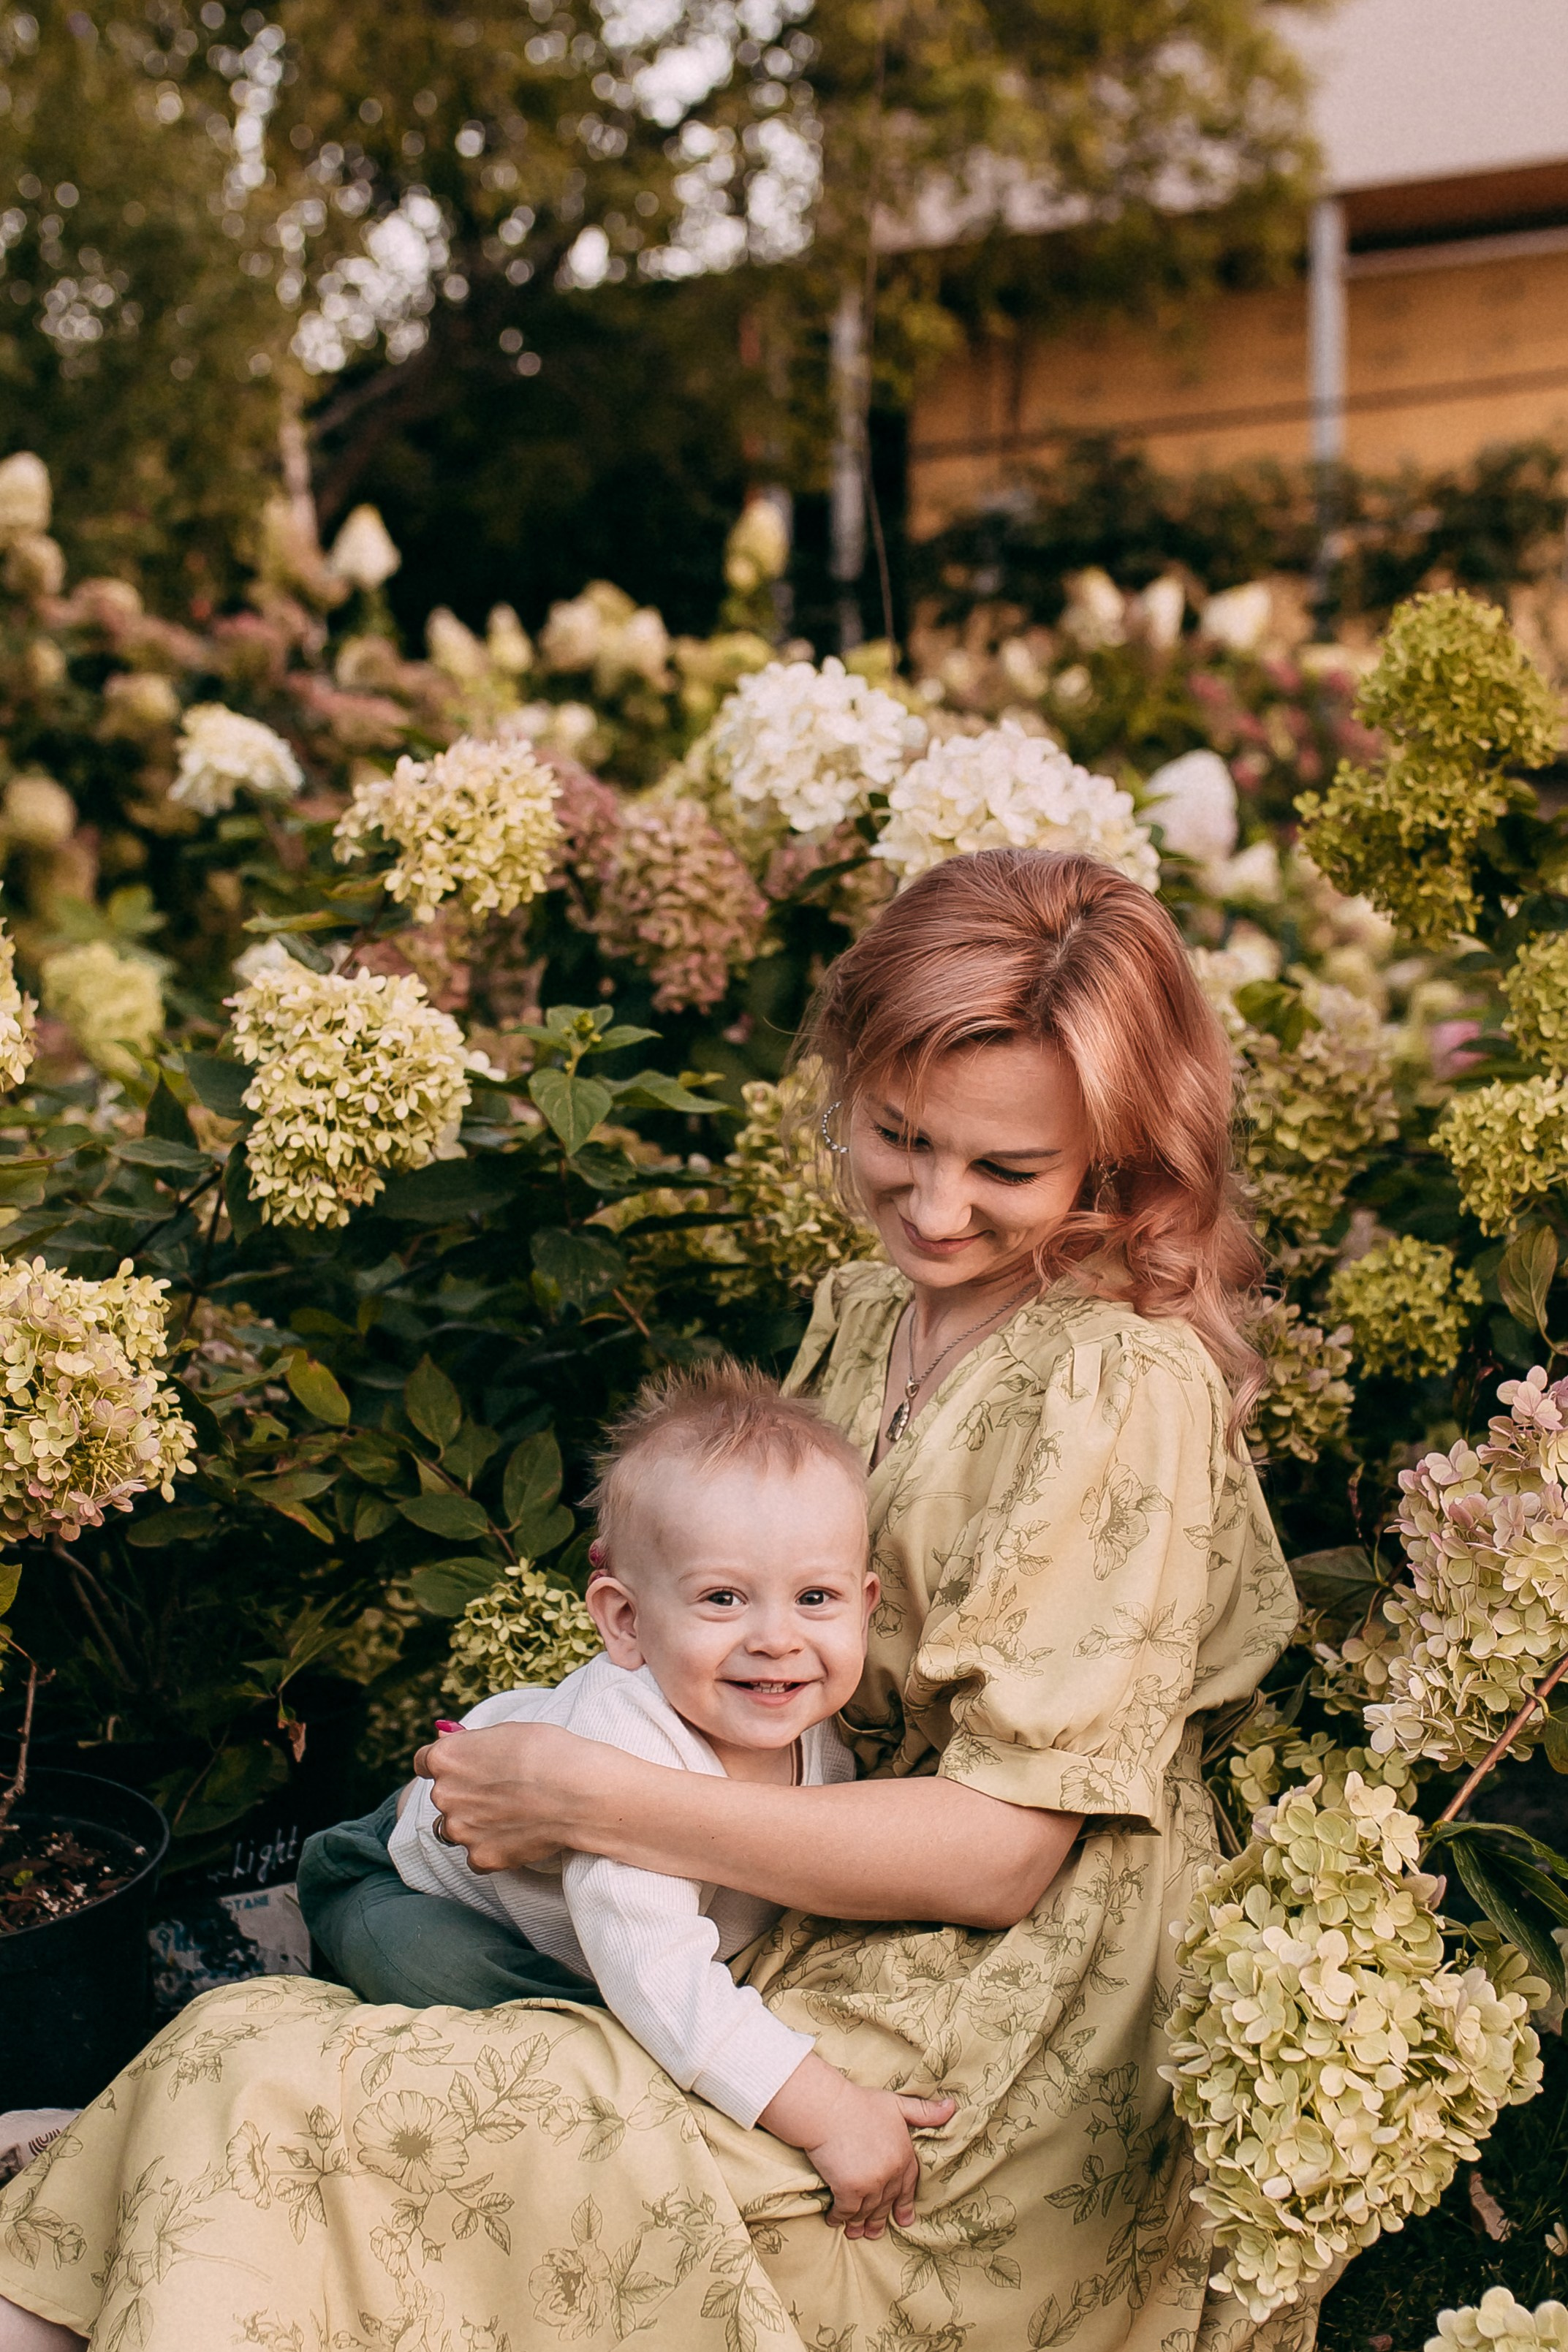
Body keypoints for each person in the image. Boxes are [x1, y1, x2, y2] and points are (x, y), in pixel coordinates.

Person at [0, 847, 1303, 2352]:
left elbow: (1007, 1855)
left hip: (989, 2005)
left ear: (1118, 1157)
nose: (936, 1206)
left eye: (1005, 1170)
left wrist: (589, 1796)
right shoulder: (872, 1307)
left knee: (293, 2079)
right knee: (268, 2029)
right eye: (898, 1136)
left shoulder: (1117, 1376)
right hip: (791, 1877)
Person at [387, 1360, 955, 2233]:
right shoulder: (629, 1740)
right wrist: (828, 2109)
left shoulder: (813, 1726)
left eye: (816, 1597)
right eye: (723, 1598)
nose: (778, 1639)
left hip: (579, 1919)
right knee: (525, 2020)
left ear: (864, 1604)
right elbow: (658, 1971)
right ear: (625, 1621)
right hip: (423, 1889)